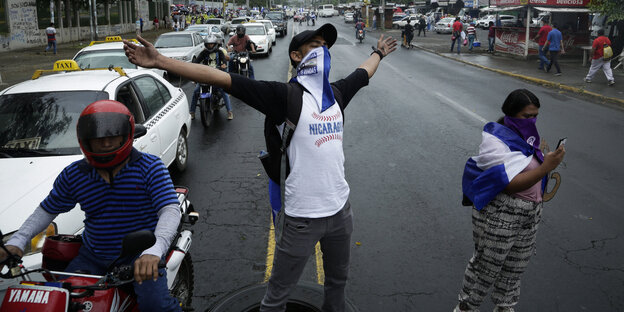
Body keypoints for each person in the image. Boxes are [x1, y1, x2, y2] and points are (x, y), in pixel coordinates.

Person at [123, 23, 397, 312]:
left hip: (341, 213)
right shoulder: (285, 97)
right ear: (295, 56)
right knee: (277, 296)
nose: (323, 51)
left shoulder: (336, 94)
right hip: (302, 219)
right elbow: (222, 77)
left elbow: (363, 72)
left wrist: (378, 52)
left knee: (337, 284)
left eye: (325, 46)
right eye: (315, 46)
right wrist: (160, 61)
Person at [0, 100, 183, 311]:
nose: (105, 144)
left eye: (112, 136)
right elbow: (47, 209)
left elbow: (169, 209)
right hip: (93, 255)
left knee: (156, 306)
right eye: (98, 138)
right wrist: (18, 240)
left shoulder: (150, 167)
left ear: (127, 135)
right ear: (86, 140)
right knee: (63, 300)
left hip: (141, 254)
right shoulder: (73, 174)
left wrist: (154, 250)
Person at [455, 89, 565, 312]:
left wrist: (543, 158)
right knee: (487, 265)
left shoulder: (527, 138)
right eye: (527, 116)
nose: (532, 120)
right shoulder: (495, 141)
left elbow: (530, 167)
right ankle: (467, 307)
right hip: (502, 213)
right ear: (511, 114)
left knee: (515, 267)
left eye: (535, 116)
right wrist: (545, 167)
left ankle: (505, 307)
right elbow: (509, 183)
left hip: (530, 213)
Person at [190, 35, 233, 120]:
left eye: (212, 44)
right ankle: (192, 112)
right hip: (205, 76)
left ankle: (229, 111)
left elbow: (223, 60)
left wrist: (224, 64)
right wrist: (191, 67)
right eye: (208, 44)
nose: (210, 46)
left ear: (215, 44)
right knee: (196, 92)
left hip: (216, 75)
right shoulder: (204, 53)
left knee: (223, 91)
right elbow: (196, 61)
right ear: (206, 44)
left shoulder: (219, 52)